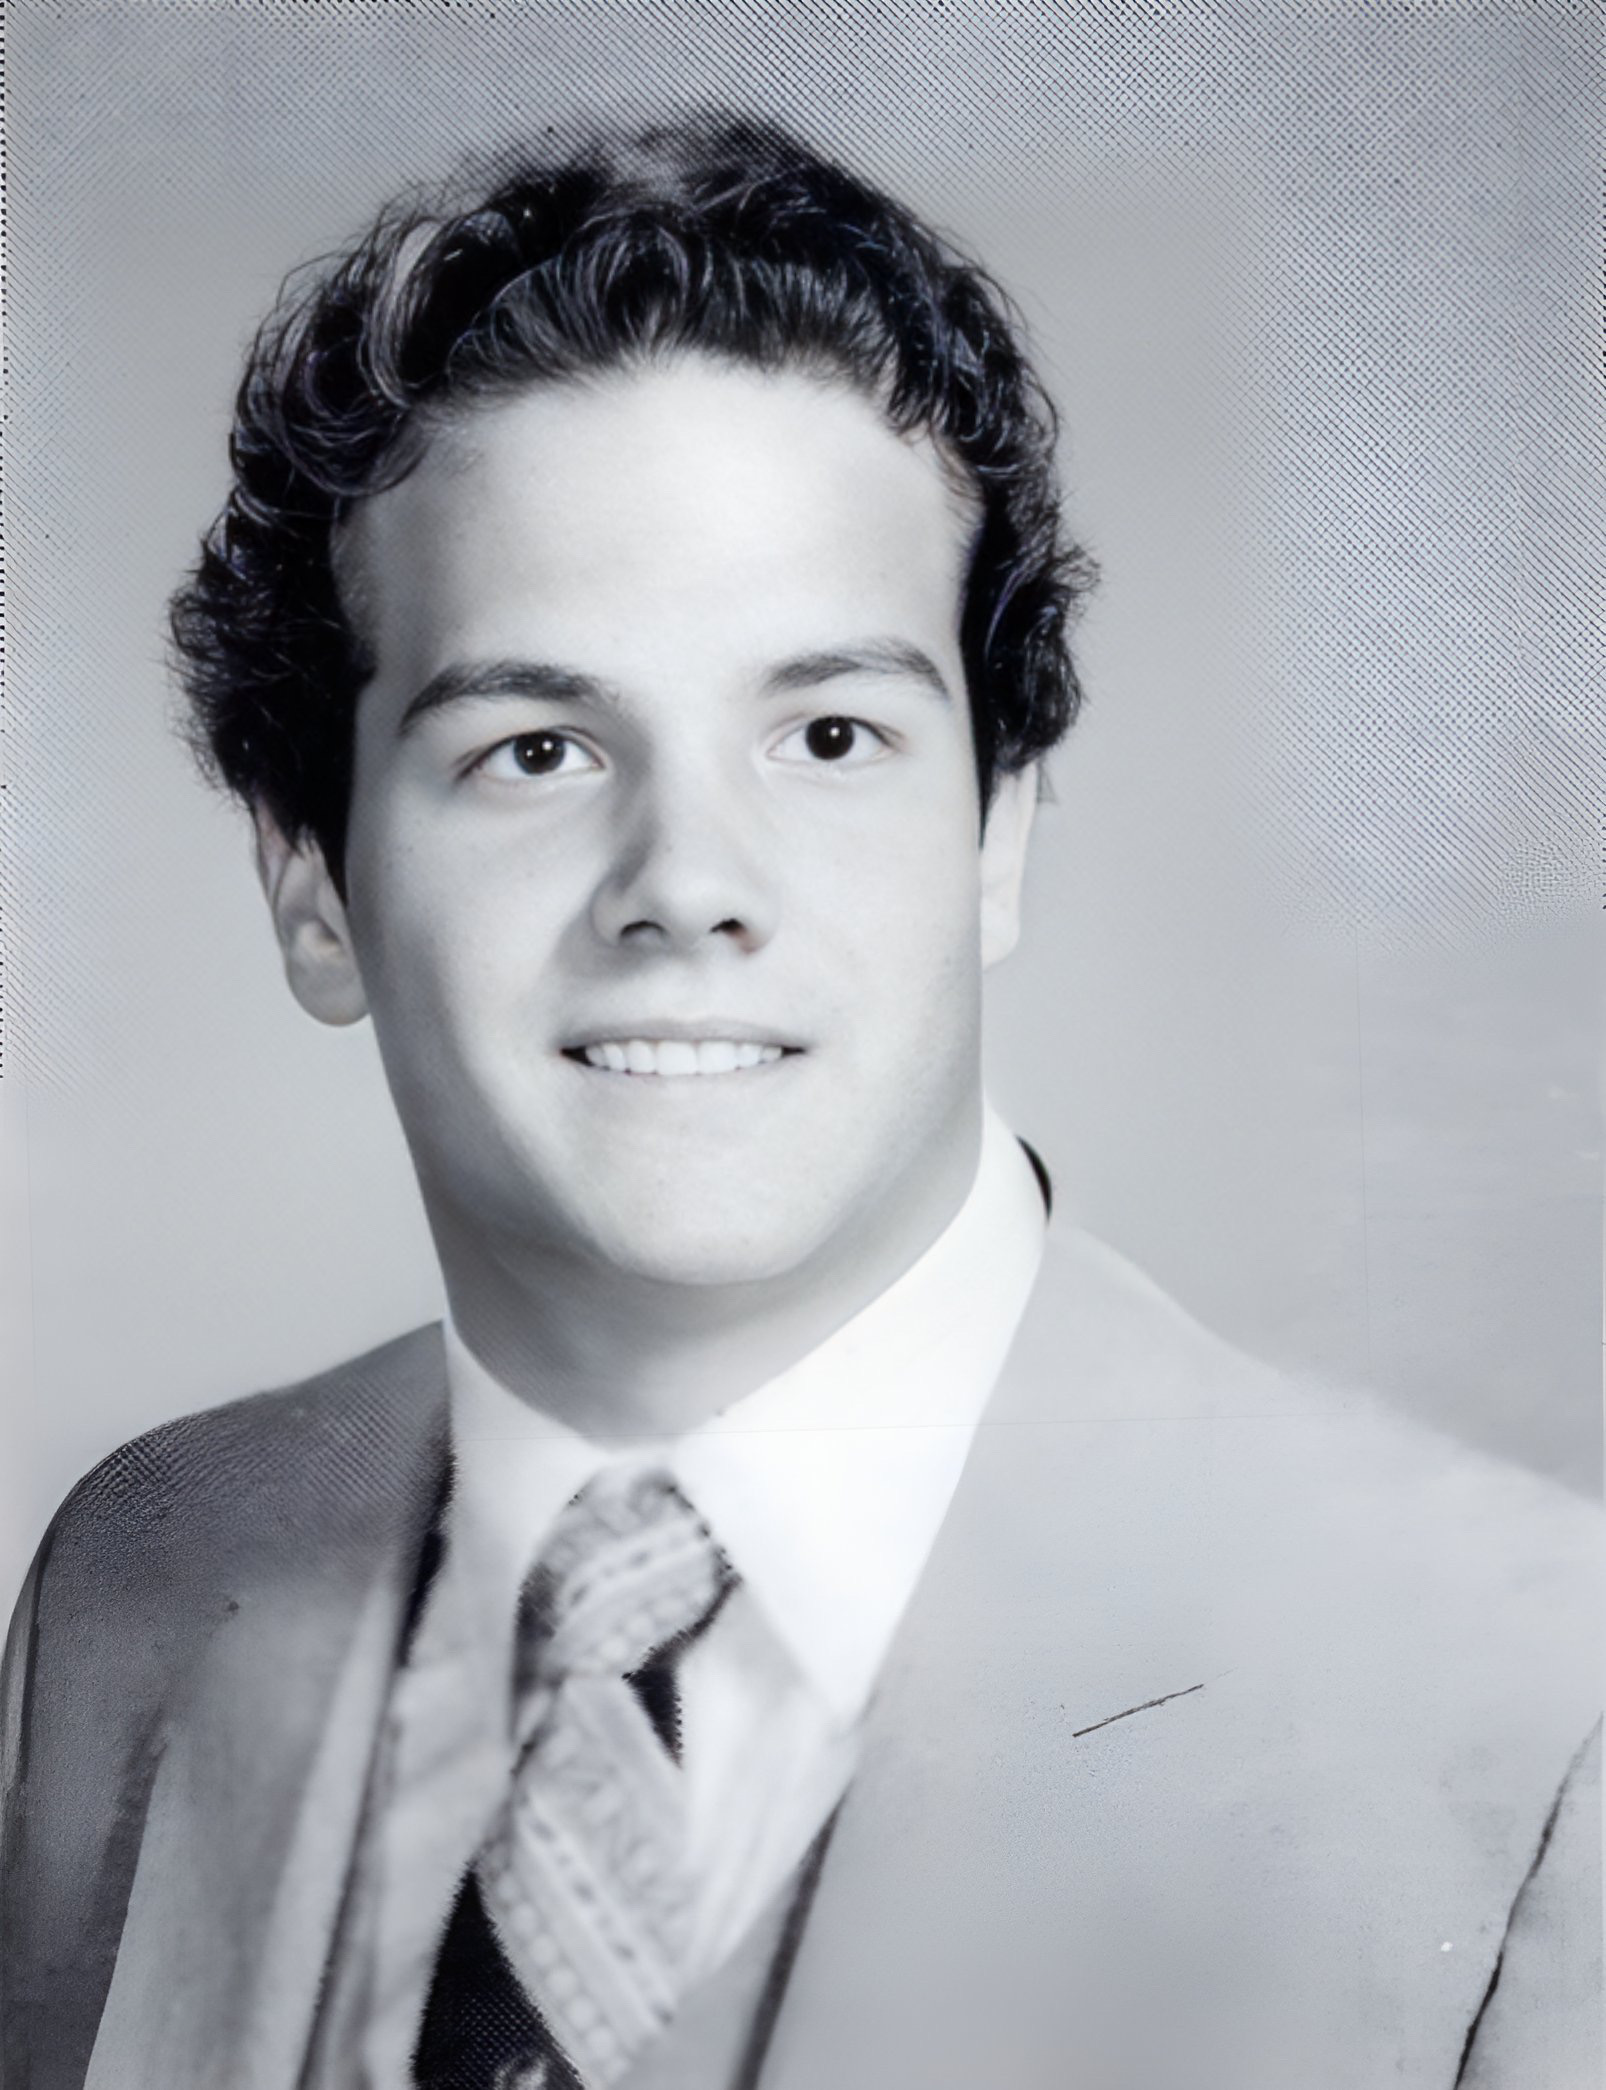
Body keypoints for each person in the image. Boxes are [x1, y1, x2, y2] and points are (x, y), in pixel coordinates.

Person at [1, 115, 1598, 2090]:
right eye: (534, 748)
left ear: (997, 830)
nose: (687, 883)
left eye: (827, 733)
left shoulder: (1533, 1714)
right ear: (311, 882)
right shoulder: (140, 1578)